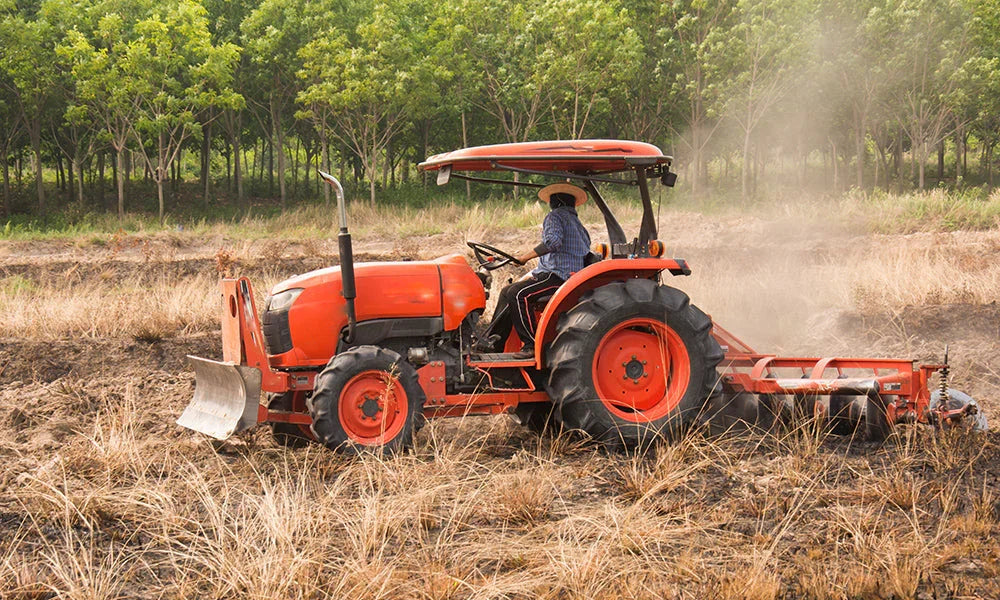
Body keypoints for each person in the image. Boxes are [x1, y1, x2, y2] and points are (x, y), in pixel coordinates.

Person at [475, 183, 591, 358]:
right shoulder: (579, 226)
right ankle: (493, 343)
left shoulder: (555, 217)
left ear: (556, 201)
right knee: (507, 291)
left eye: (551, 200)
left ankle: (531, 345)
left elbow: (552, 243)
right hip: (570, 277)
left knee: (517, 294)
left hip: (558, 276)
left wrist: (524, 258)